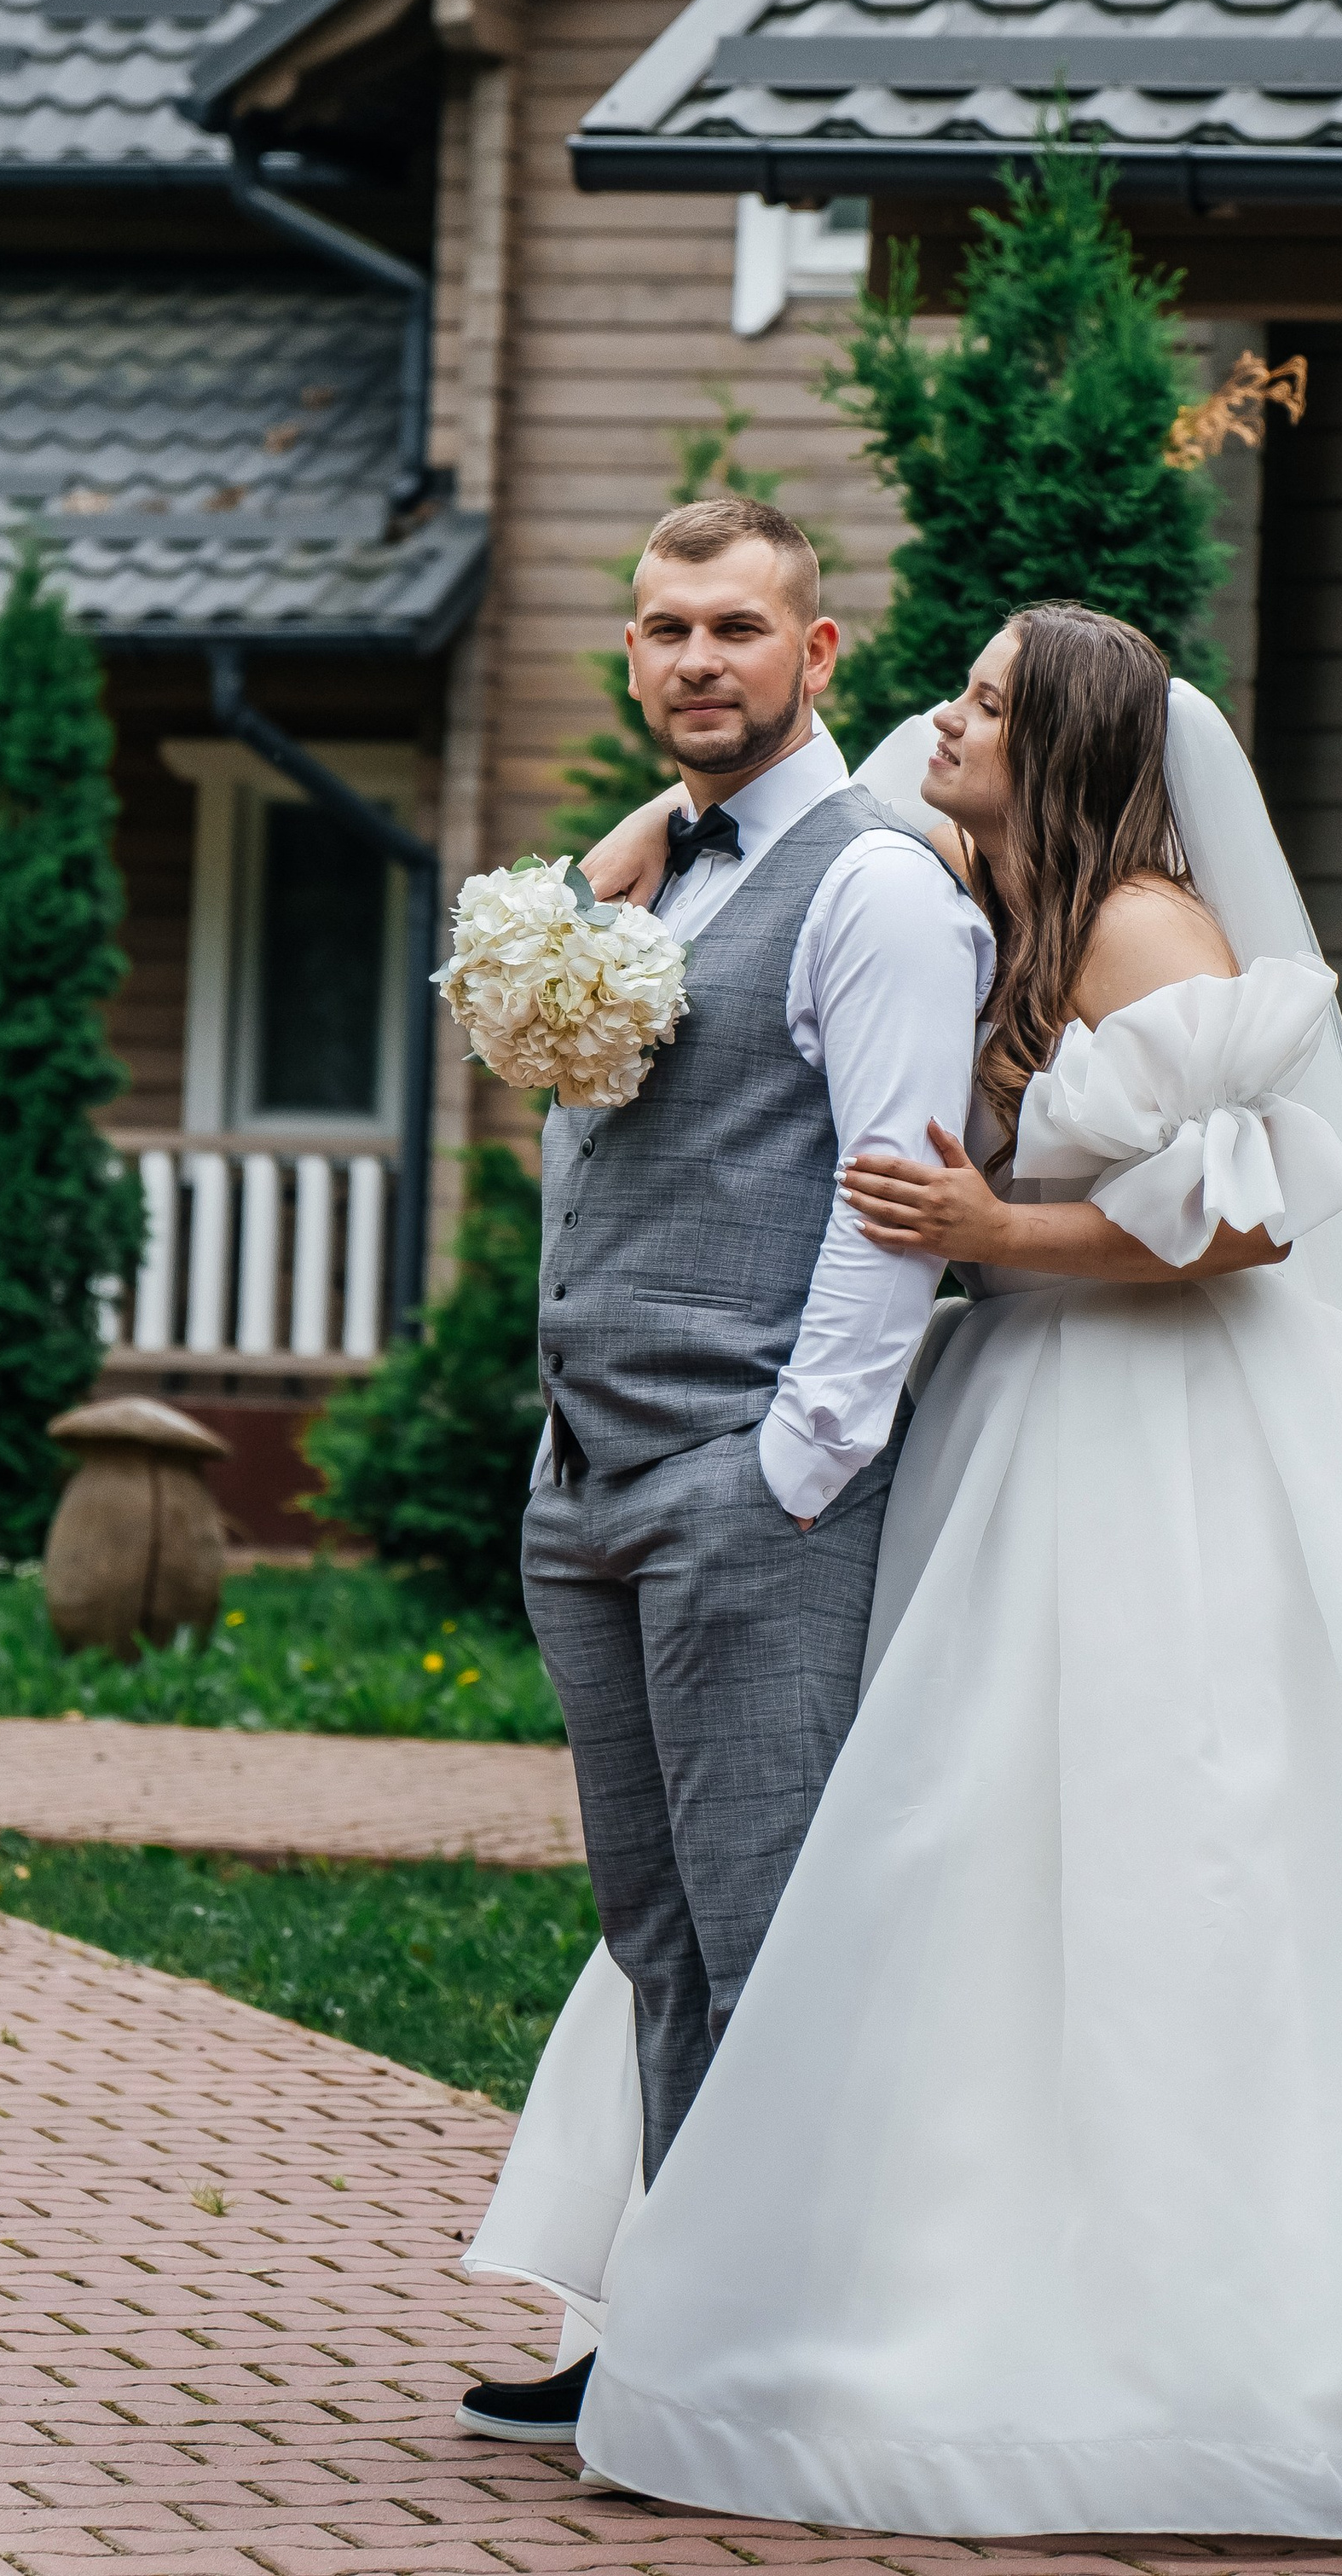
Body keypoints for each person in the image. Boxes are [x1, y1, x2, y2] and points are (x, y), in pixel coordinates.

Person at [466, 600, 1342, 2556]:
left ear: (1057, 737)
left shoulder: (1148, 923)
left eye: (980, 702)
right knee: (905, 1847)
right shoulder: (963, 889)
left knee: (1182, 1825)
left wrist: (993, 1222)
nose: (941, 720)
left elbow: (1234, 1221)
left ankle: (1200, 2322)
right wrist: (640, 837)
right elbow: (781, 830)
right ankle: (795, 2274)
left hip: (1169, 1422)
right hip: (1003, 1411)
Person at [453, 495, 991, 2445]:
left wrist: (791, 1461)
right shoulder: (654, 875)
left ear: (818, 651)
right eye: (667, 628)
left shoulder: (873, 888)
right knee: (656, 1934)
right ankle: (682, 2327)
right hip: (584, 1484)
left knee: (769, 1934)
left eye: (738, 629)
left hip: (739, 1487)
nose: (698, 660)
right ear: (631, 653)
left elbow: (894, 1192)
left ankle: (793, 2372)